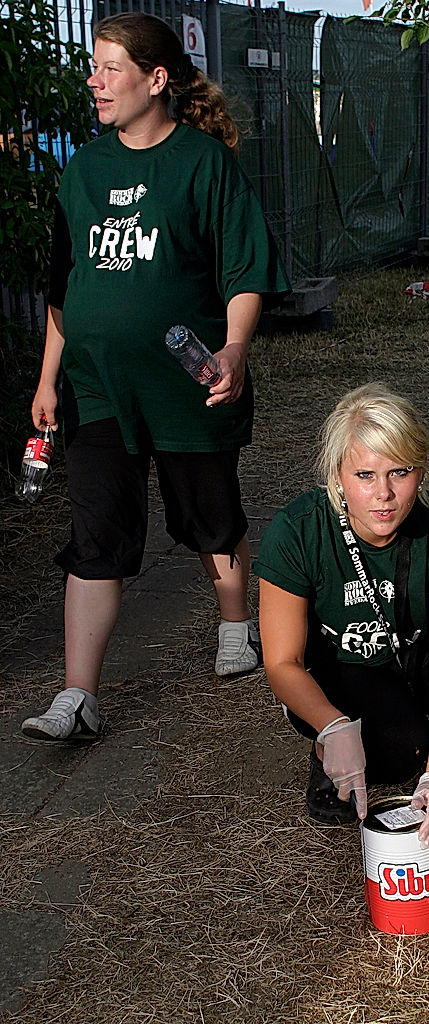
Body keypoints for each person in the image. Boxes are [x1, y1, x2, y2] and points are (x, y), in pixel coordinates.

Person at [21, 12, 289, 742]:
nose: (95, 81)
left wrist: (234, 349)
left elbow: (243, 269)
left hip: (185, 380)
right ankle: (79, 696)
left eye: (111, 68)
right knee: (96, 533)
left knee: (209, 512)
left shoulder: (203, 164)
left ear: (156, 78)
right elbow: (64, 289)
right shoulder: (84, 169)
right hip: (97, 386)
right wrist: (47, 381)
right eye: (95, 66)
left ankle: (234, 625)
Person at [256, 384, 429, 850]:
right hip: (342, 672)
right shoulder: (298, 530)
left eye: (399, 472)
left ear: (421, 470)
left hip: (412, 660)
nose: (383, 494)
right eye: (364, 475)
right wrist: (333, 726)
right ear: (338, 475)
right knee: (398, 748)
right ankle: (328, 753)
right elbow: (282, 662)